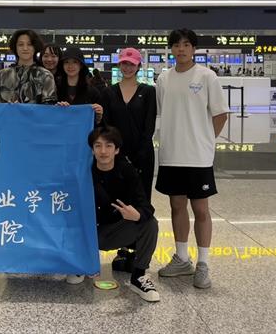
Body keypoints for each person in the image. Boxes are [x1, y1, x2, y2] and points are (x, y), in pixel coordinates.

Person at [155, 29, 229, 289]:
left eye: (186, 45)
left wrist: (206, 141)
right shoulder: (164, 79)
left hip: (198, 156)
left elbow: (220, 114)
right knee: (176, 206)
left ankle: (203, 263)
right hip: (172, 154)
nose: (181, 49)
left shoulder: (207, 76)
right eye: (176, 45)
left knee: (201, 209)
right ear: (171, 49)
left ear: (194, 49)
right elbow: (162, 112)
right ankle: (182, 258)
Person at [67, 127, 159, 303]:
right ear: (92, 150)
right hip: (86, 234)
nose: (103, 151)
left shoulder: (127, 171)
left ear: (116, 150)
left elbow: (147, 207)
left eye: (108, 146)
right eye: (98, 146)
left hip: (114, 231)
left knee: (150, 223)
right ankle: (81, 263)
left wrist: (137, 215)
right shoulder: (84, 171)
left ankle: (138, 276)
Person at [100, 48, 156, 200]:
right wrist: (116, 152)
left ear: (138, 66)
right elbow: (106, 125)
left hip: (142, 154)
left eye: (132, 64)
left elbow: (149, 126)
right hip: (116, 153)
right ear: (119, 65)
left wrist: (140, 154)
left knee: (141, 197)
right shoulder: (109, 92)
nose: (128, 68)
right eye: (124, 63)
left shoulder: (148, 92)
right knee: (116, 197)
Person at [0, 29, 57, 104]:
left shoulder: (45, 75)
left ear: (35, 47)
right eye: (20, 44)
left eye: (29, 44)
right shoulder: (2, 75)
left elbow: (49, 107)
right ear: (15, 47)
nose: (25, 48)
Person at [55, 46, 103, 123]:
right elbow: (50, 118)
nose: (70, 66)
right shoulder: (55, 90)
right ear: (62, 65)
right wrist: (55, 109)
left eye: (75, 62)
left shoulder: (93, 92)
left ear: (81, 65)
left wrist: (99, 115)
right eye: (66, 62)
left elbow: (98, 123)